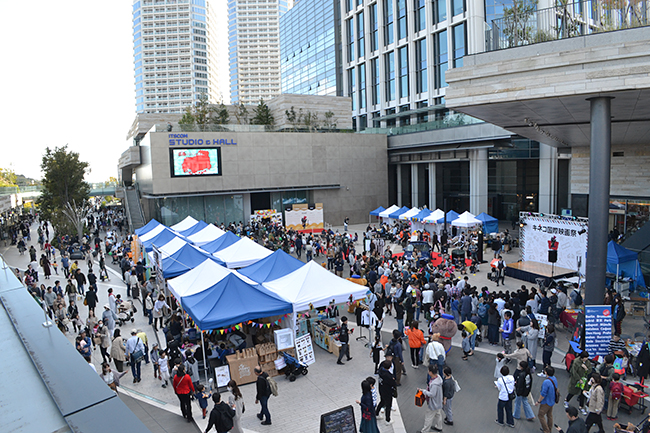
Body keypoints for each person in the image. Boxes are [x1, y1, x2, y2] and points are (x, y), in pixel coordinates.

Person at [564, 351, 591, 415]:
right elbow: (573, 371)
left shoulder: (588, 363)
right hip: (576, 380)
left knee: (582, 394)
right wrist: (578, 379)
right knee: (572, 392)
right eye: (585, 357)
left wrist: (586, 369)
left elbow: (589, 370)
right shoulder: (576, 361)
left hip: (584, 381)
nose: (586, 359)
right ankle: (566, 400)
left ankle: (581, 406)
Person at [418, 364, 444, 433]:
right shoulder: (438, 378)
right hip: (438, 402)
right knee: (438, 414)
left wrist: (423, 391)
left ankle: (425, 431)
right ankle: (439, 427)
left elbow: (432, 394)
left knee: (428, 417)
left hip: (433, 403)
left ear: (430, 372)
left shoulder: (434, 384)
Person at [537, 366, 559, 433]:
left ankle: (546, 430)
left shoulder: (546, 382)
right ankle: (549, 428)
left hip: (546, 402)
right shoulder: (554, 379)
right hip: (552, 400)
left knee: (540, 415)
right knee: (549, 415)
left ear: (546, 373)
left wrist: (538, 401)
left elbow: (543, 394)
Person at [375, 360, 396, 425]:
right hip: (387, 391)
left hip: (381, 389)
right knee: (388, 405)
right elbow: (393, 384)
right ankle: (387, 420)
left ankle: (376, 413)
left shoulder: (381, 370)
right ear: (390, 367)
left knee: (382, 401)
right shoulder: (389, 376)